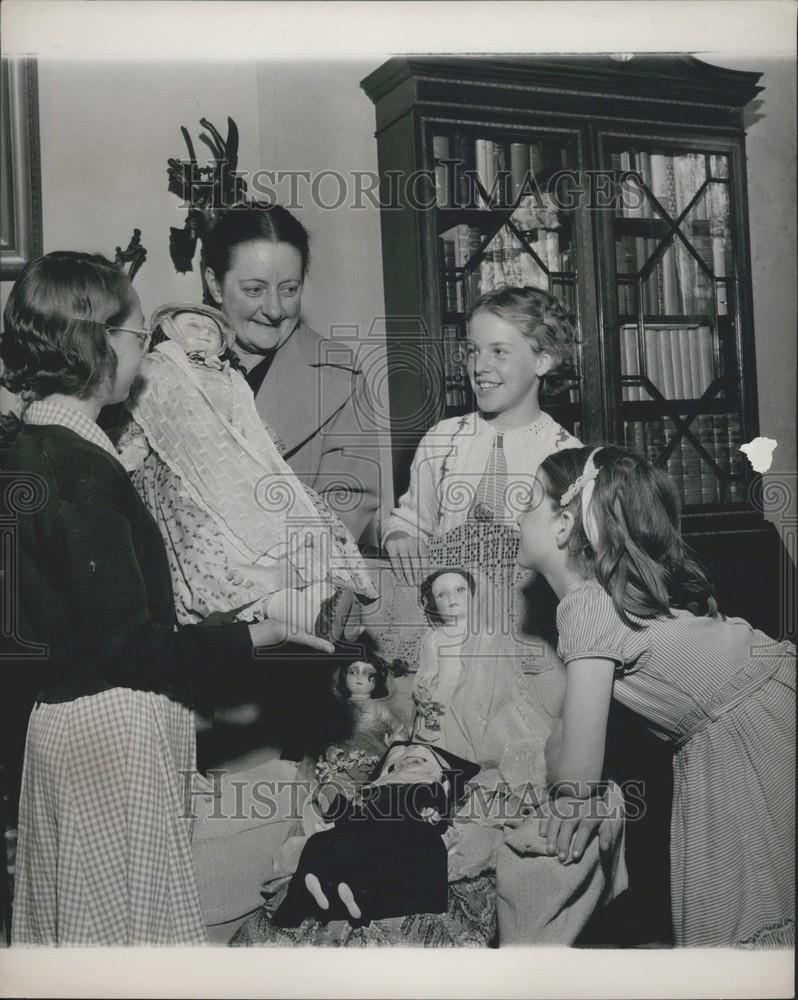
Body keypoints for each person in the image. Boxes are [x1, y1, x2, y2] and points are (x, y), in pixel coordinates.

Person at [0, 251, 334, 946]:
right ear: (92, 344)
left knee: (79, 939)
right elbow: (132, 648)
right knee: (132, 948)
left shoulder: (26, 449)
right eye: (133, 335)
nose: (144, 353)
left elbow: (82, 620)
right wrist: (257, 635)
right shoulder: (85, 470)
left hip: (55, 725)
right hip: (114, 735)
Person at [514, 444, 796, 947]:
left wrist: (564, 767)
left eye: (529, 499)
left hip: (754, 727)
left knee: (744, 922)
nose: (516, 513)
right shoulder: (601, 602)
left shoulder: (585, 608)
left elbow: (575, 777)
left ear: (562, 525)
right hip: (757, 704)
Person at [120, 301, 376, 637]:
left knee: (286, 524)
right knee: (208, 543)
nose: (204, 333)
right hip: (182, 472)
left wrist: (265, 451)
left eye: (211, 331)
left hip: (235, 466)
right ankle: (283, 606)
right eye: (193, 326)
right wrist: (125, 461)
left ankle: (319, 603)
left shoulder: (229, 378)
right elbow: (144, 422)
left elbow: (249, 424)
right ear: (167, 328)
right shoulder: (154, 368)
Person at [383, 285, 581, 593]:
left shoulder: (567, 456)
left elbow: (574, 567)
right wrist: (399, 537)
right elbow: (409, 520)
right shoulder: (441, 441)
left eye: (499, 351)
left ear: (543, 360)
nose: (479, 367)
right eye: (473, 351)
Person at [202, 204, 380, 544]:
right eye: (254, 290)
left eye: (289, 290)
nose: (274, 309)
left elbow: (350, 502)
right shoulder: (169, 369)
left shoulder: (339, 375)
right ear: (215, 285)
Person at [272, 741, 480, 927]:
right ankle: (310, 891)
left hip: (407, 829)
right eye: (404, 761)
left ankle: (350, 899)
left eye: (420, 761)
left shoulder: (430, 787)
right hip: (364, 827)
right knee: (319, 842)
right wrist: (342, 805)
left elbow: (440, 808)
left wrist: (433, 811)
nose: (410, 763)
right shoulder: (376, 788)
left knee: (387, 854)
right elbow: (355, 811)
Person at [413, 569, 473, 744]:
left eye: (459, 590)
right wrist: (425, 696)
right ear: (433, 603)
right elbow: (428, 674)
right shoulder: (434, 637)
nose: (451, 598)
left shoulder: (485, 634)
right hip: (443, 703)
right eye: (441, 594)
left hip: (477, 700)